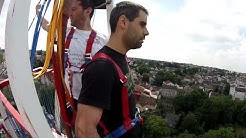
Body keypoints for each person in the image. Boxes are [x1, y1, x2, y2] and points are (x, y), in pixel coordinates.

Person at [75, 1, 149, 138]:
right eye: (142, 24)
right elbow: (84, 130)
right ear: (123, 22)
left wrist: (134, 90)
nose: (146, 32)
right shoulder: (102, 68)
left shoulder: (119, 59)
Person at [36, 0, 108, 104]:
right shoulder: (66, 33)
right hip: (70, 99)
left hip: (92, 101)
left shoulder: (102, 40)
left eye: (74, 9)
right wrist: (38, 11)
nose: (70, 13)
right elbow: (46, 25)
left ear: (87, 11)